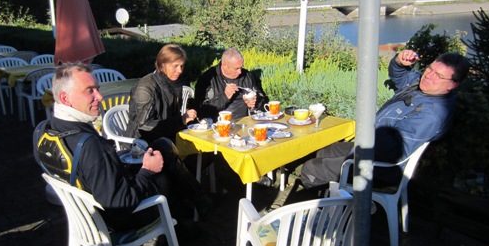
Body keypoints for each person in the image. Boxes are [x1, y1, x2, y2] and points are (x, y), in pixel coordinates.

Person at [47, 62, 208, 232]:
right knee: (164, 176)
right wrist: (147, 171)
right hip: (119, 218)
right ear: (65, 98)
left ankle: (197, 203)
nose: (100, 97)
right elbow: (120, 204)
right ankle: (182, 227)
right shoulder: (90, 145)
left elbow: (94, 170)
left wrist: (118, 158)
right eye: (90, 91)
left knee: (162, 146)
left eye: (97, 89)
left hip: (89, 202)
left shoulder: (47, 130)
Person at [300, 49, 470, 190]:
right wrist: (399, 61)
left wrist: (369, 131)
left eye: (438, 76)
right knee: (322, 151)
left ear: (452, 85)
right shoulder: (422, 87)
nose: (428, 76)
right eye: (430, 69)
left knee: (312, 169)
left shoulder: (431, 114)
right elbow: (400, 76)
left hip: (380, 168)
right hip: (369, 148)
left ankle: (324, 216)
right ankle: (332, 197)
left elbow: (394, 151)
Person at [126, 44, 198, 143]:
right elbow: (144, 126)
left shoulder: (174, 82)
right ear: (162, 65)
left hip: (167, 135)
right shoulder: (146, 87)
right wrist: (180, 120)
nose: (180, 70)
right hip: (141, 143)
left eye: (182, 66)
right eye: (175, 66)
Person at [195, 48, 268, 121]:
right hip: (219, 125)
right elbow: (201, 110)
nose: (240, 72)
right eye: (236, 68)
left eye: (241, 67)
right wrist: (225, 96)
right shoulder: (208, 79)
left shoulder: (247, 77)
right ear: (224, 65)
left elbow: (264, 102)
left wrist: (255, 102)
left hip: (245, 122)